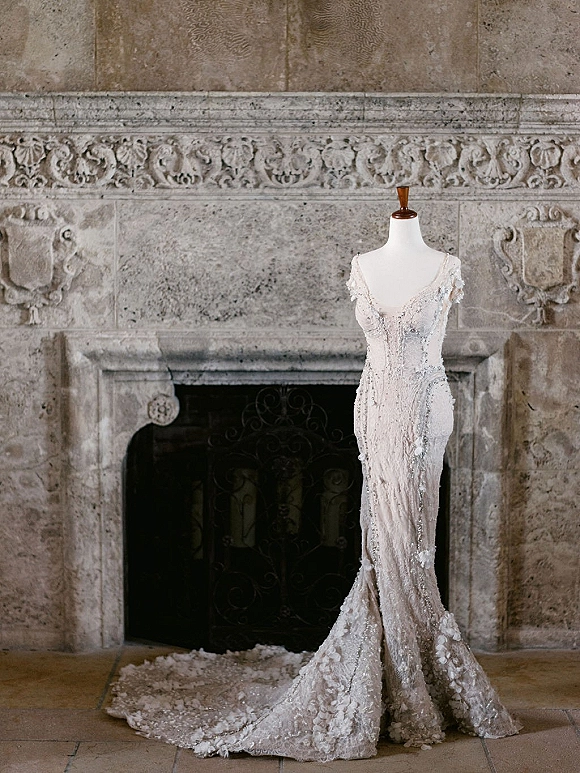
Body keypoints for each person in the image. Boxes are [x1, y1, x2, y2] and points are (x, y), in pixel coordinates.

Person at [108, 189, 520, 761]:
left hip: (425, 409)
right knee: (382, 541)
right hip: (375, 406)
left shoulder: (445, 267)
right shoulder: (363, 266)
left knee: (412, 544)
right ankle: (394, 666)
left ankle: (418, 667)